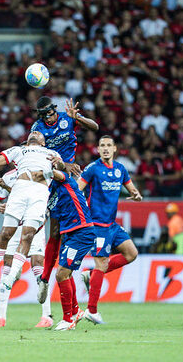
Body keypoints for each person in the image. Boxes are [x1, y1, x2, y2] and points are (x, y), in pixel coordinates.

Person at [0, 131, 65, 292]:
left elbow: (62, 171)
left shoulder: (52, 153)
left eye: (38, 133)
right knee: (6, 233)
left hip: (39, 193)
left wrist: (59, 164)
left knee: (27, 235)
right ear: (27, 141)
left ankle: (12, 276)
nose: (35, 133)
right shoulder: (18, 150)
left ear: (43, 143)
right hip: (19, 190)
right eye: (32, 132)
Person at [31, 96, 98, 304]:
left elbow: (95, 127)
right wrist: (60, 165)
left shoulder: (66, 118)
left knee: (79, 221)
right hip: (53, 178)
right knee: (55, 231)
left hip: (71, 175)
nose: (49, 117)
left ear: (54, 109)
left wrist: (78, 117)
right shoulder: (37, 129)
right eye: (44, 115)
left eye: (51, 112)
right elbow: (36, 156)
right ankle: (46, 278)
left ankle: (78, 271)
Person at [77, 136, 142, 325]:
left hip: (112, 224)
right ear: (98, 149)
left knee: (131, 253)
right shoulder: (92, 169)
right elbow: (77, 190)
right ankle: (91, 310)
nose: (105, 149)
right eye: (102, 146)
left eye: (108, 146)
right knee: (101, 263)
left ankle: (91, 275)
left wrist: (136, 195)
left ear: (115, 149)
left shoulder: (120, 169)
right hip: (96, 225)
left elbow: (133, 190)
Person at [0, 169, 52, 328]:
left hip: (34, 226)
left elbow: (46, 198)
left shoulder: (42, 173)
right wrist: (0, 207)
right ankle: (0, 317)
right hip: (14, 227)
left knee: (38, 266)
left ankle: (46, 316)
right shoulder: (8, 176)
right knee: (8, 268)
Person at [48, 172, 96, 331]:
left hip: (81, 231)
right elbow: (54, 226)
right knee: (65, 274)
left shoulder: (64, 180)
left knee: (61, 274)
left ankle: (68, 320)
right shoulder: (50, 196)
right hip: (68, 234)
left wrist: (45, 167)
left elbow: (60, 170)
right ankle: (75, 312)